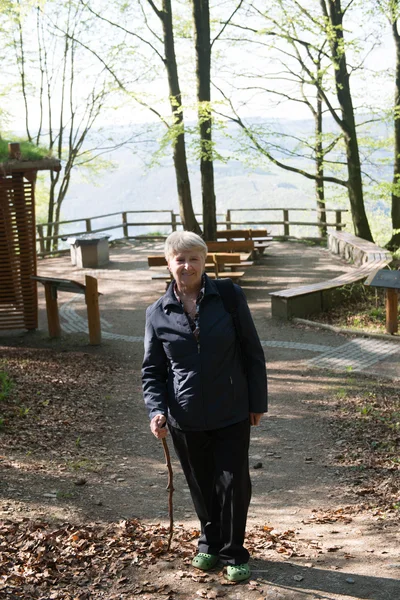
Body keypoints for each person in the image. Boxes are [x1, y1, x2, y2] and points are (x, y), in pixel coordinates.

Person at [142, 231, 268, 582]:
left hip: (231, 409)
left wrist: (257, 402)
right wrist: (156, 410)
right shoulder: (157, 313)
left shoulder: (227, 296)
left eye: (193, 258)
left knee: (233, 482)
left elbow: (252, 351)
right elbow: (152, 371)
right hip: (185, 416)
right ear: (169, 263)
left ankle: (234, 551)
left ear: (204, 261)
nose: (187, 265)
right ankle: (209, 545)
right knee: (201, 484)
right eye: (179, 259)